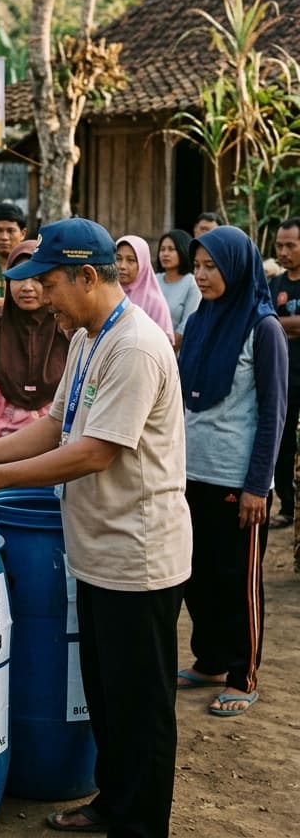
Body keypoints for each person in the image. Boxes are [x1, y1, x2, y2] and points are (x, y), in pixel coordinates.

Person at [0, 218, 191, 838]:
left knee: (141, 706)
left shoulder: (135, 346)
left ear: (85, 276)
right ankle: (113, 802)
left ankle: (141, 822)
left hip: (140, 553)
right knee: (105, 695)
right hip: (96, 547)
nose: (43, 297)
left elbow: (93, 452)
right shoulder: (84, 337)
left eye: (49, 283)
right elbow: (58, 426)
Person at [176, 226, 287, 716]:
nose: (201, 276)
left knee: (237, 579)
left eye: (211, 267)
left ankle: (243, 673)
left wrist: (257, 486)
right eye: (196, 266)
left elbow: (274, 414)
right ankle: (212, 659)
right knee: (195, 575)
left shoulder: (264, 328)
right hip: (189, 473)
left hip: (236, 481)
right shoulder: (201, 320)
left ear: (237, 268)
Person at [0, 238, 70, 446]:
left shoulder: (68, 332)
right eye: (19, 277)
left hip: (53, 460)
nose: (27, 287)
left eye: (37, 278)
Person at [269, 217, 300, 533]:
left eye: (291, 245)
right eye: (280, 245)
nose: (284, 251)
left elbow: (275, 323)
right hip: (285, 380)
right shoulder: (274, 285)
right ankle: (288, 507)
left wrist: (281, 324)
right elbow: (265, 321)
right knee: (283, 444)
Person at [115, 235, 175, 344]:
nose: (122, 266)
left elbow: (163, 346)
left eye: (131, 260)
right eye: (118, 259)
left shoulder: (155, 302)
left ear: (143, 264)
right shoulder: (108, 294)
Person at [156, 229, 201, 350]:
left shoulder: (192, 283)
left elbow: (187, 324)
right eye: (162, 249)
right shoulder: (155, 280)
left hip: (176, 352)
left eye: (171, 249)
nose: (165, 254)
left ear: (183, 250)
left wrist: (164, 351)